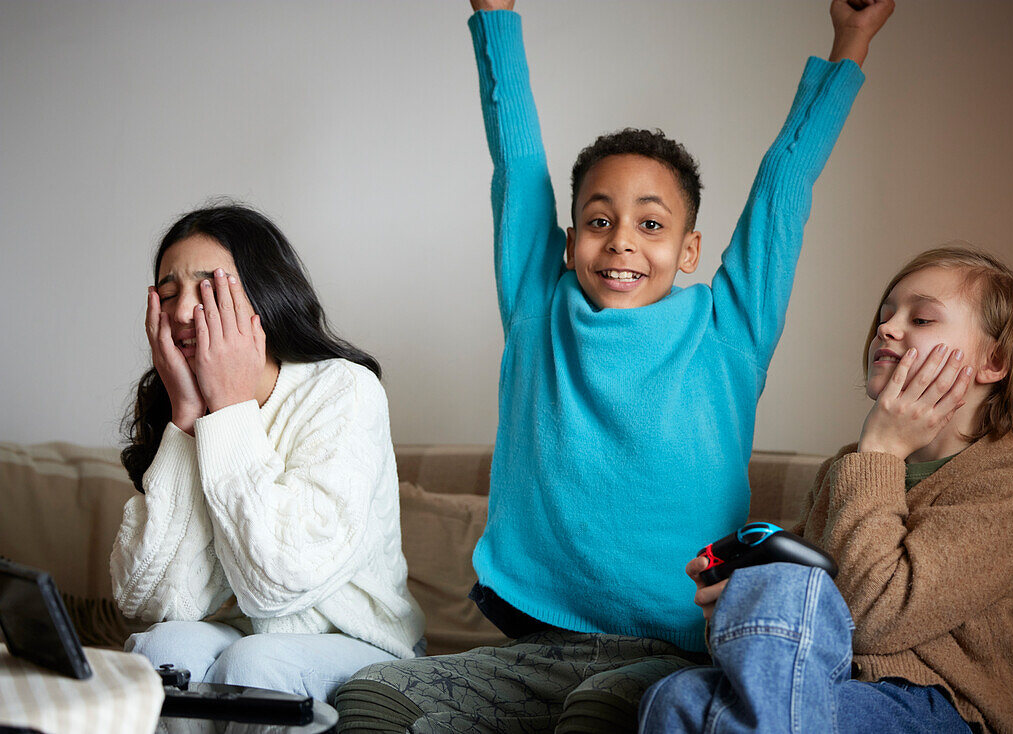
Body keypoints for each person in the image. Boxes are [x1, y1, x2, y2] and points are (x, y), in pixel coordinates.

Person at [335, 2, 893, 731]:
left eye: (652, 224)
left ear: (689, 251)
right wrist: (496, 16)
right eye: (599, 220)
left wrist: (851, 41)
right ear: (568, 243)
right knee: (369, 697)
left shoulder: (729, 330)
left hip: (668, 656)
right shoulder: (540, 306)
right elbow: (518, 163)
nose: (622, 240)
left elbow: (784, 186)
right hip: (536, 646)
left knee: (600, 714)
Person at [640, 245, 1013, 734]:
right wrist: (736, 593)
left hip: (944, 707)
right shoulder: (848, 467)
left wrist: (881, 451)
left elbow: (878, 615)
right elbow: (809, 610)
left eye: (922, 319)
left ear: (995, 361)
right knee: (673, 698)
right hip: (837, 681)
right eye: (886, 315)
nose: (887, 328)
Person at [110, 204, 425, 703]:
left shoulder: (345, 389)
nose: (183, 311)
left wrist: (230, 406)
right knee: (162, 651)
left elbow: (279, 583)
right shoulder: (182, 407)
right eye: (168, 294)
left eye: (210, 288)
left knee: (255, 665)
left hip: (361, 642)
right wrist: (189, 418)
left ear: (263, 294)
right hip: (245, 634)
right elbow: (148, 600)